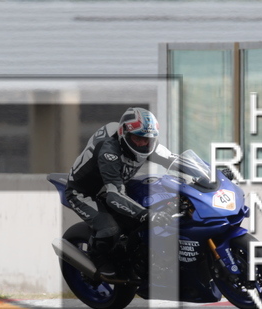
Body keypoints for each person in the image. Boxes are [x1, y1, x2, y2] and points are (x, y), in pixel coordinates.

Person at [65, 107, 178, 278]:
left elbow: (175, 160)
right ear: (123, 133)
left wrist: (209, 175)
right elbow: (114, 196)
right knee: (110, 229)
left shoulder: (148, 145)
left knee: (149, 207)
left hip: (115, 185)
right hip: (84, 192)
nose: (141, 144)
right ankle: (97, 258)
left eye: (147, 139)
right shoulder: (109, 151)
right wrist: (146, 215)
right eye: (137, 138)